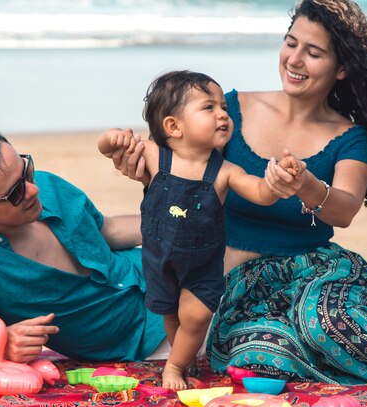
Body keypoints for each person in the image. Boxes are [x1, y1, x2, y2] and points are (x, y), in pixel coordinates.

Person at [112, 0, 367, 385]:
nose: (294, 59)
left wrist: (307, 185)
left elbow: (344, 210)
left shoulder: (349, 138)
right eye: (291, 43)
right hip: (236, 284)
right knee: (259, 358)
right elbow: (178, 167)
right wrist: (138, 170)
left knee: (324, 325)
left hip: (311, 273)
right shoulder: (228, 112)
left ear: (340, 69)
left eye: (313, 52)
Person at [98, 70, 304, 389]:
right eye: (209, 107)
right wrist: (113, 138)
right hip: (159, 259)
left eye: (223, 106)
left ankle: (174, 366)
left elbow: (260, 192)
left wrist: (277, 183)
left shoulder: (224, 171)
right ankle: (186, 356)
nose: (223, 113)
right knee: (169, 313)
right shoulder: (155, 156)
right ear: (173, 126)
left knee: (194, 317)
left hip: (203, 265)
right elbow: (106, 144)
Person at [0, 127, 165, 370]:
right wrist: (0, 342)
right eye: (15, 193)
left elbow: (105, 231)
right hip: (148, 339)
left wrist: (178, 225)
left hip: (168, 273)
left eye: (26, 171)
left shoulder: (44, 186)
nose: (33, 189)